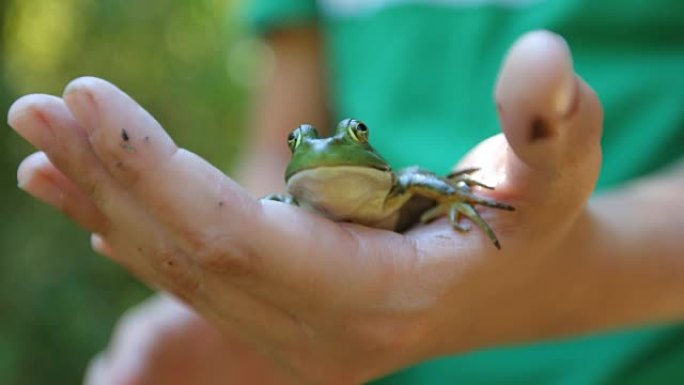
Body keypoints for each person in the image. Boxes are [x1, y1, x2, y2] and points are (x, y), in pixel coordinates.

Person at [7, 0, 684, 384]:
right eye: (321, 139)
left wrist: (564, 263)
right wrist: (234, 284)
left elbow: (414, 185)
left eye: (348, 135)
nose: (328, 143)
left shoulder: (399, 185)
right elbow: (277, 150)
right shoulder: (303, 175)